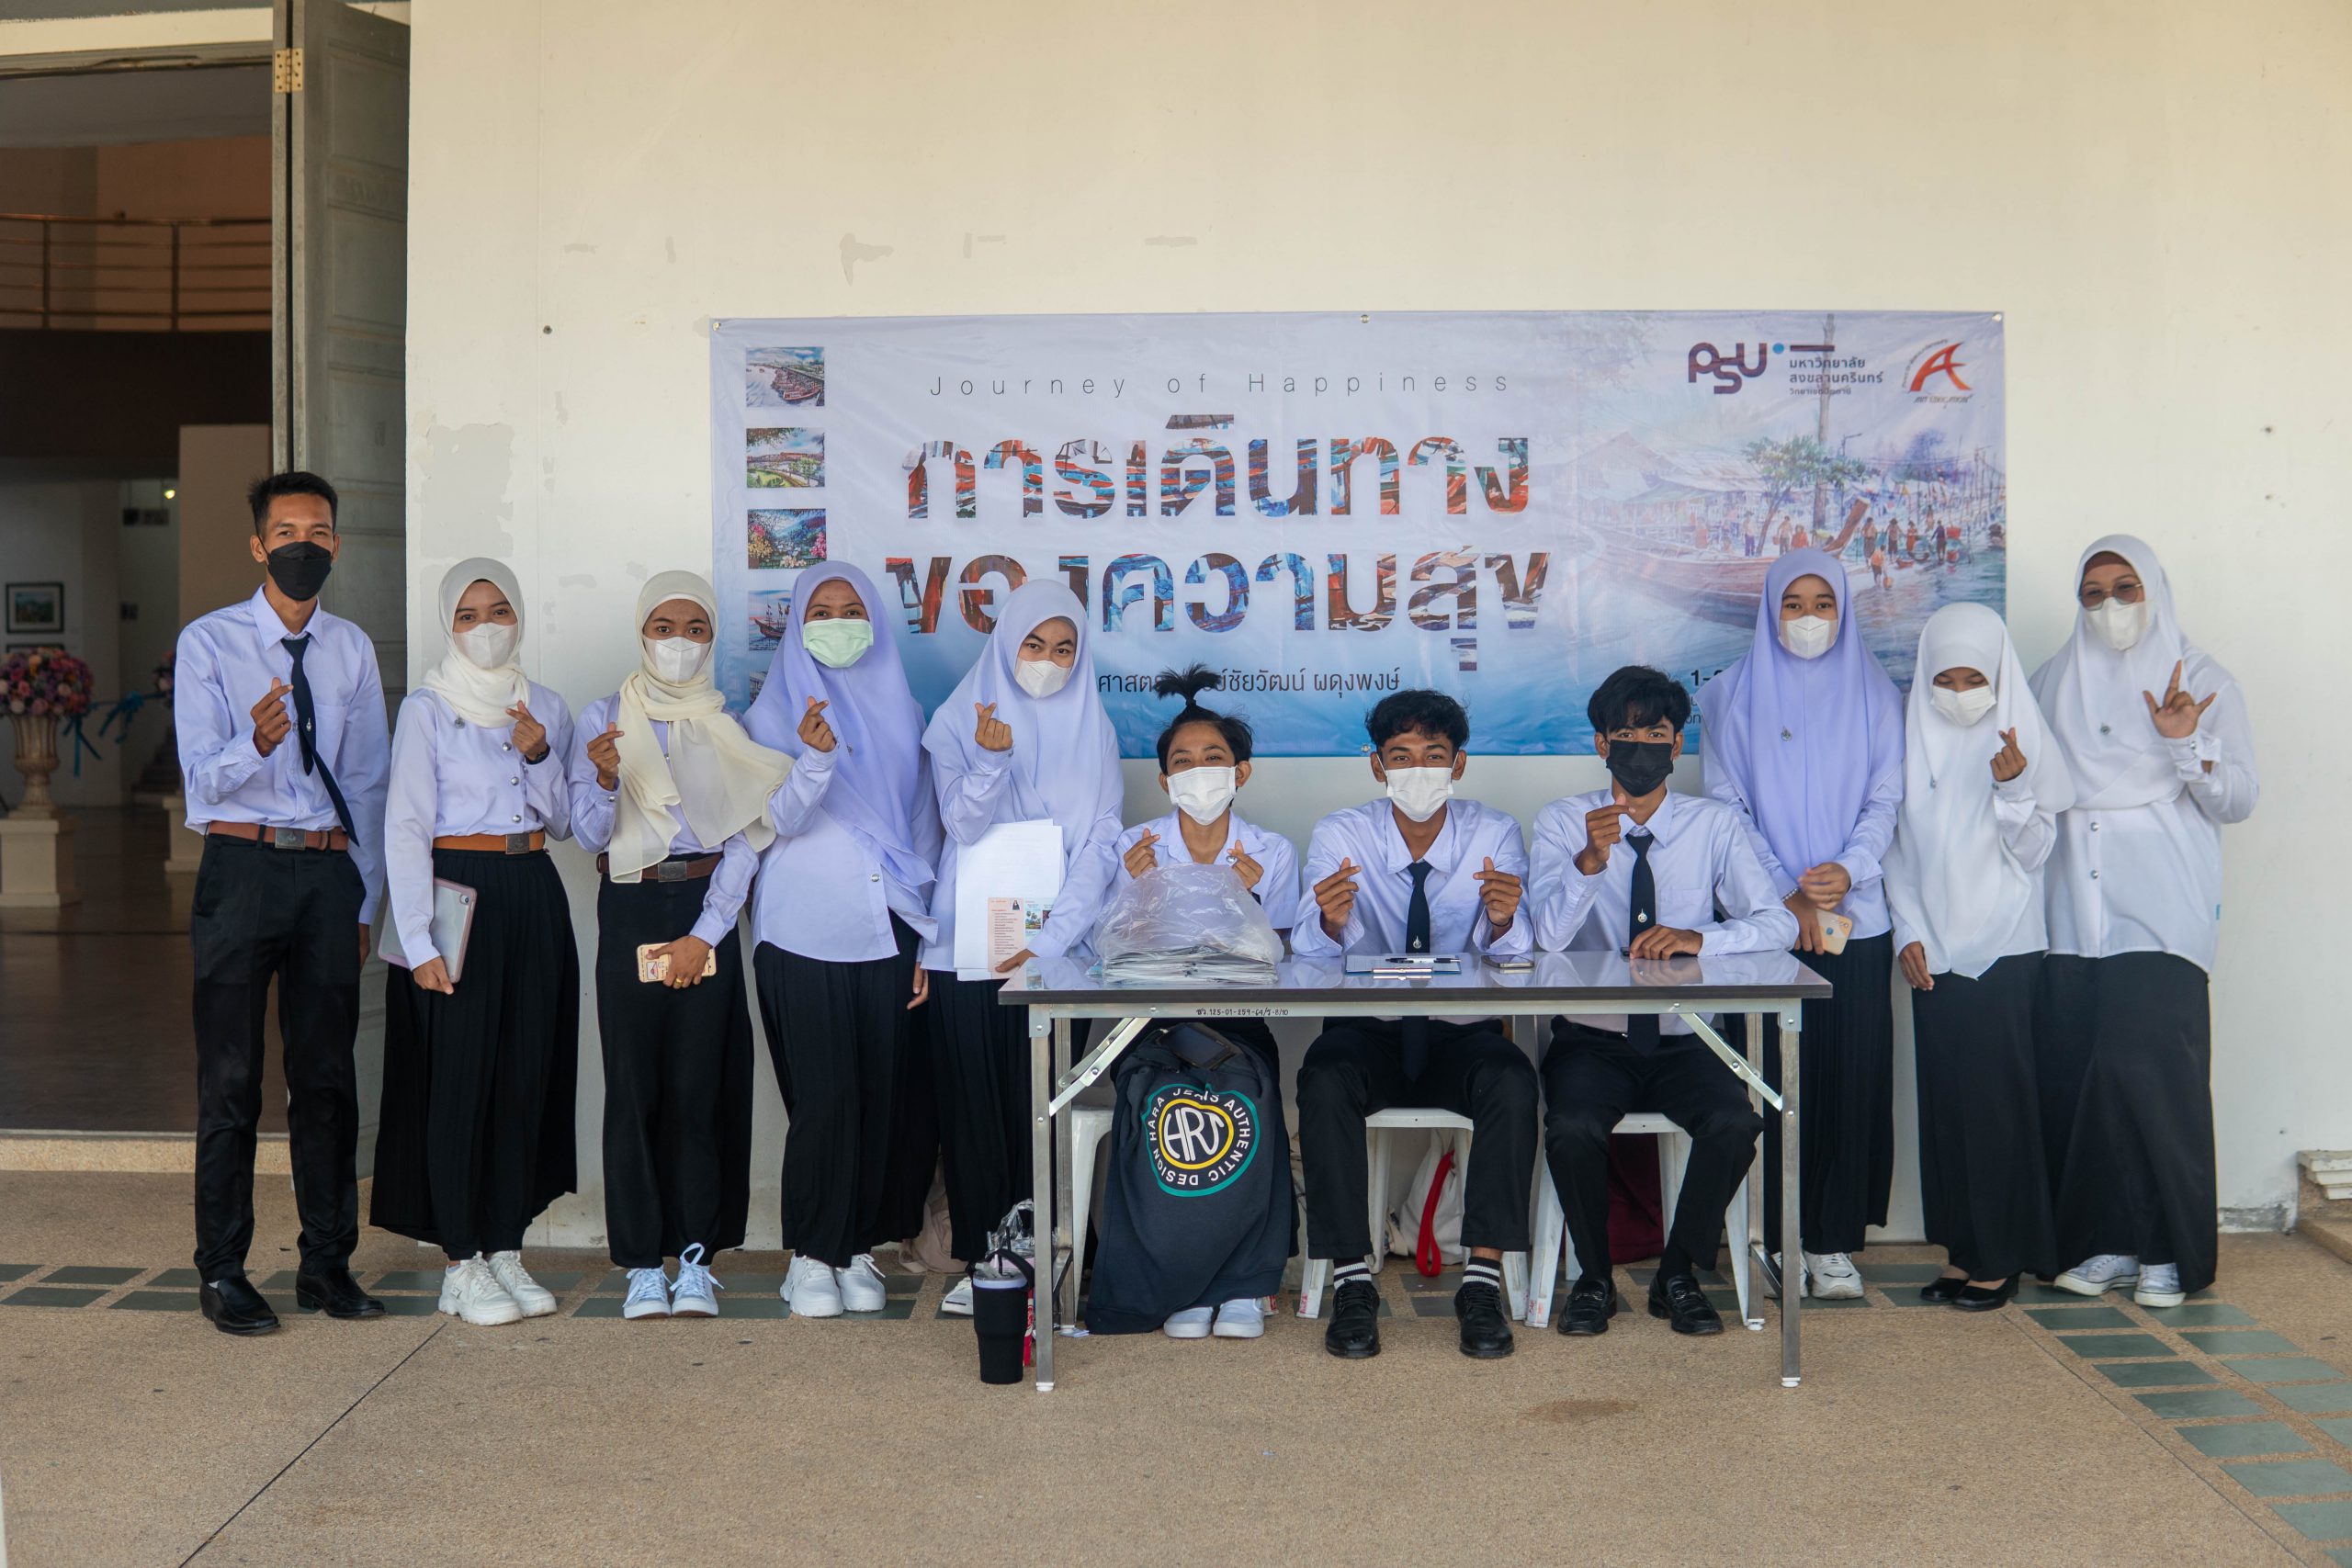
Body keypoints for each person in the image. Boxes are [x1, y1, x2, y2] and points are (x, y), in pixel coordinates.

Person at [175, 470, 389, 1335]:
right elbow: (199, 783)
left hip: (328, 876)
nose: (306, 544)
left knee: (327, 1076)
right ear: (259, 545)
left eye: (320, 531)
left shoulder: (352, 648)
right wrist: (252, 744)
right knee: (231, 1079)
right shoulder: (209, 643)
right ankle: (223, 1269)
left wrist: (365, 900)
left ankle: (326, 1262)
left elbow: (368, 783)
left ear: (336, 543)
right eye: (288, 532)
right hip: (241, 868)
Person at [1529, 667, 1792, 1337]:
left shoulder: (1714, 824)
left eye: (1657, 735)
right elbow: (1545, 938)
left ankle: (1677, 1274)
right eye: (1627, 734)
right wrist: (1589, 864)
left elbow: (1779, 923)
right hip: (1592, 1040)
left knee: (1734, 1123)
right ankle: (1594, 1279)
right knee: (1571, 1127)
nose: (1641, 747)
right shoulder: (1562, 821)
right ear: (1601, 744)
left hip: (1688, 1036)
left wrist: (1702, 938)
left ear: (1678, 746)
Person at [2030, 536, 2256, 1308]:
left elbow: (2238, 798)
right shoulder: (2051, 682)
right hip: (2071, 915)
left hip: (2161, 911)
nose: (2110, 604)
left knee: (2154, 1076)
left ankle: (2168, 1251)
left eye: (2125, 587)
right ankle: (2106, 1243)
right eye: (2092, 591)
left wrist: (2185, 741)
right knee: (2081, 1075)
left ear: (2154, 589)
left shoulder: (2202, 679)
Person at [568, 571, 788, 1321]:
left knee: (701, 1086)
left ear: (713, 637)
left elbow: (746, 838)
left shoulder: (727, 724)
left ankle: (694, 1257)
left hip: (705, 904)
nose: (679, 643)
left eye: (695, 629)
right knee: (633, 1087)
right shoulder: (604, 717)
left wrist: (705, 933)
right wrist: (604, 779)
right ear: (641, 632)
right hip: (630, 902)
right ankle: (640, 1263)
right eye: (664, 627)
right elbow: (587, 834)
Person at [1291, 689, 1536, 1360]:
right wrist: (1330, 922)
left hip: (1463, 1032)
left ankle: (1481, 1282)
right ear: (1377, 765)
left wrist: (1506, 920)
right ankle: (1352, 1280)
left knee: (1513, 1081)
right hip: (1369, 1029)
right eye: (1401, 755)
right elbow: (1309, 956)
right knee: (1324, 1078)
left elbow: (1516, 957)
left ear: (1459, 763)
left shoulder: (1494, 833)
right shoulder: (1342, 834)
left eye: (1434, 754)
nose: (1418, 769)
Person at [370, 560, 578, 1327]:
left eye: (498, 611)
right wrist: (418, 940)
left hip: (533, 887)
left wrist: (539, 755)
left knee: (526, 1070)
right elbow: (405, 825)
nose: (485, 627)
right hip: (456, 891)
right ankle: (460, 1260)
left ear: (519, 616)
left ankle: (505, 1244)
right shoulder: (427, 708)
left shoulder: (545, 706)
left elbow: (565, 822)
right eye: (468, 614)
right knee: (458, 1076)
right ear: (448, 626)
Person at [1700, 548, 1903, 1301]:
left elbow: (1886, 797)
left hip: (1856, 916)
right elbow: (1726, 806)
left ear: (1843, 610)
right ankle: (1775, 1235)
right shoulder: (1729, 696)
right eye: (1794, 603)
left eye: (1823, 603)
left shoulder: (1877, 693)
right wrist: (1785, 894)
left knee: (1851, 1077)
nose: (1809, 617)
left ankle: (1832, 1243)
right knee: (1773, 1084)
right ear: (1770, 609)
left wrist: (1847, 869)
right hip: (1769, 922)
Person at [742, 564, 942, 1319]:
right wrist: (816, 760)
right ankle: (809, 1253)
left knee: (882, 1095)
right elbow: (775, 823)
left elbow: (924, 829)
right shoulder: (768, 716)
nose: (836, 622)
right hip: (802, 926)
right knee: (823, 1099)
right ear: (797, 625)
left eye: (850, 608)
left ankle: (857, 1244)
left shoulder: (906, 711)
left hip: (889, 926)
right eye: (820, 611)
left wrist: (927, 940)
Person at [919, 581, 1123, 1314]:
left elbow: (1102, 844)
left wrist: (1050, 941)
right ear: (1006, 642)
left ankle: (1051, 1250)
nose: (1047, 661)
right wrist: (990, 760)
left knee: (1045, 1100)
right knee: (974, 1103)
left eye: (1064, 648)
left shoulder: (1095, 729)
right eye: (1034, 644)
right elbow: (959, 825)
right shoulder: (957, 719)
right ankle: (988, 1260)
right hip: (969, 946)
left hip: (1060, 952)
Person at [1102, 664, 1301, 1339]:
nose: (1199, 772)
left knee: (1251, 1094)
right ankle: (1177, 1279)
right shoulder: (1134, 848)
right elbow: (1108, 951)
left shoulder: (1271, 852)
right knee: (1159, 1103)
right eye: (1182, 762)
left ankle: (1246, 1283)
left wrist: (1253, 897)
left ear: (1241, 772)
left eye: (1213, 758)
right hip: (1151, 1025)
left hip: (1240, 1024)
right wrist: (1134, 891)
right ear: (1164, 781)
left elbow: (1285, 957)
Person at [1884, 604, 2070, 1312]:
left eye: (1974, 678)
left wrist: (2015, 789)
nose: (1960, 692)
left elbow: (2035, 854)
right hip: (1932, 949)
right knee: (1947, 1106)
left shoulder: (2022, 740)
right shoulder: (1910, 740)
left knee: (1997, 1106)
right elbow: (1896, 848)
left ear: (1998, 677)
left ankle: (2003, 1254)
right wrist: (1907, 932)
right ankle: (1963, 1249)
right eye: (1946, 678)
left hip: (2005, 944)